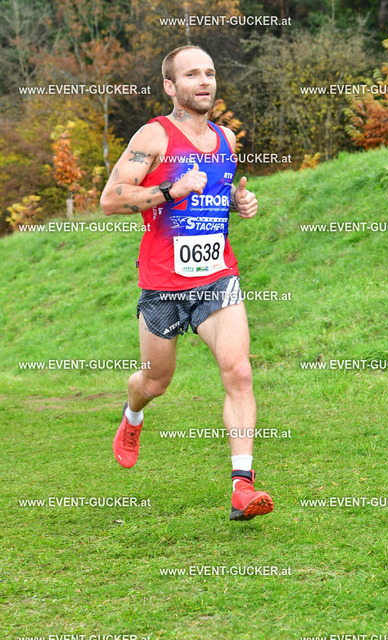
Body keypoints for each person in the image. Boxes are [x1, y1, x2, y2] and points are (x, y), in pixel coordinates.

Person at [100, 44, 273, 521]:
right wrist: (167, 190)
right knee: (156, 381)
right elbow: (110, 199)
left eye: (210, 73)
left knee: (239, 372)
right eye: (192, 74)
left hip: (217, 277)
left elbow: (214, 194)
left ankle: (242, 486)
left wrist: (238, 201)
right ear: (170, 86)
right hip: (163, 284)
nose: (204, 81)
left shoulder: (226, 139)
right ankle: (132, 414)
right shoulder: (154, 135)